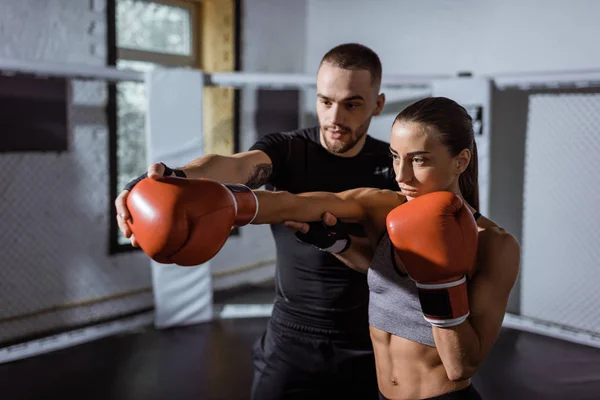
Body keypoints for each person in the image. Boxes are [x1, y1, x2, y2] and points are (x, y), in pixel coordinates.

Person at [125, 96, 520, 399]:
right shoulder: (386, 207)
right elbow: (299, 204)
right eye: (396, 157)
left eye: (419, 160)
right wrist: (219, 201)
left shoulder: (496, 246)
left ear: (460, 161)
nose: (401, 175)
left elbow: (461, 365)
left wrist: (443, 284)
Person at [115, 43, 398, 399]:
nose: (335, 118)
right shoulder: (289, 149)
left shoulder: (394, 167)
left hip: (371, 340)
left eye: (352, 104)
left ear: (378, 104)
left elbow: (394, 263)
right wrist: (174, 177)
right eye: (325, 101)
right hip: (291, 338)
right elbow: (233, 166)